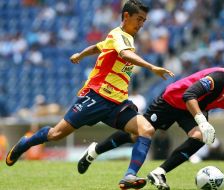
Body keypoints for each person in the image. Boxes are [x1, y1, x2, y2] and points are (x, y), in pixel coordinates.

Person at [5, 1, 174, 189]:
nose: (141, 24)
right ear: (126, 16)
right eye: (139, 19)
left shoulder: (124, 38)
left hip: (117, 103)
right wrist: (151, 66)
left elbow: (97, 47)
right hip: (97, 96)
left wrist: (80, 55)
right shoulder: (118, 35)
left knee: (146, 130)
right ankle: (25, 143)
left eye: (144, 20)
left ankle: (129, 176)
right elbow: (125, 55)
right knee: (56, 134)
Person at [77, 67, 224, 190]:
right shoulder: (218, 78)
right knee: (137, 135)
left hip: (193, 109)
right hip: (172, 100)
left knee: (201, 136)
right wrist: (202, 120)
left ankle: (159, 173)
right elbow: (189, 94)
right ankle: (95, 150)